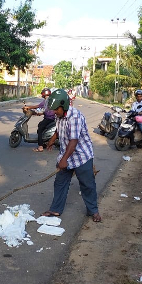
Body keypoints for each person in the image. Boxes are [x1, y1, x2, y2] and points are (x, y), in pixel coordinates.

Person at [44, 88, 101, 222]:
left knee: (87, 184)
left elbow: (74, 141)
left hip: (82, 156)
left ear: (63, 105)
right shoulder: (59, 115)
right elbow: (59, 129)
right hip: (66, 153)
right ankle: (55, 209)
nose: (53, 112)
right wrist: (53, 139)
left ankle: (93, 211)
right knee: (60, 182)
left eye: (55, 109)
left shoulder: (75, 116)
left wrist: (64, 160)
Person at [23, 87, 55, 152]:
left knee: (40, 128)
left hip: (49, 119)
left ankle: (40, 146)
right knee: (40, 126)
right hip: (51, 118)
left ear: (43, 94)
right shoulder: (50, 99)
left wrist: (28, 107)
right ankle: (44, 142)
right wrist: (41, 113)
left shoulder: (47, 100)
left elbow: (38, 106)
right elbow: (46, 110)